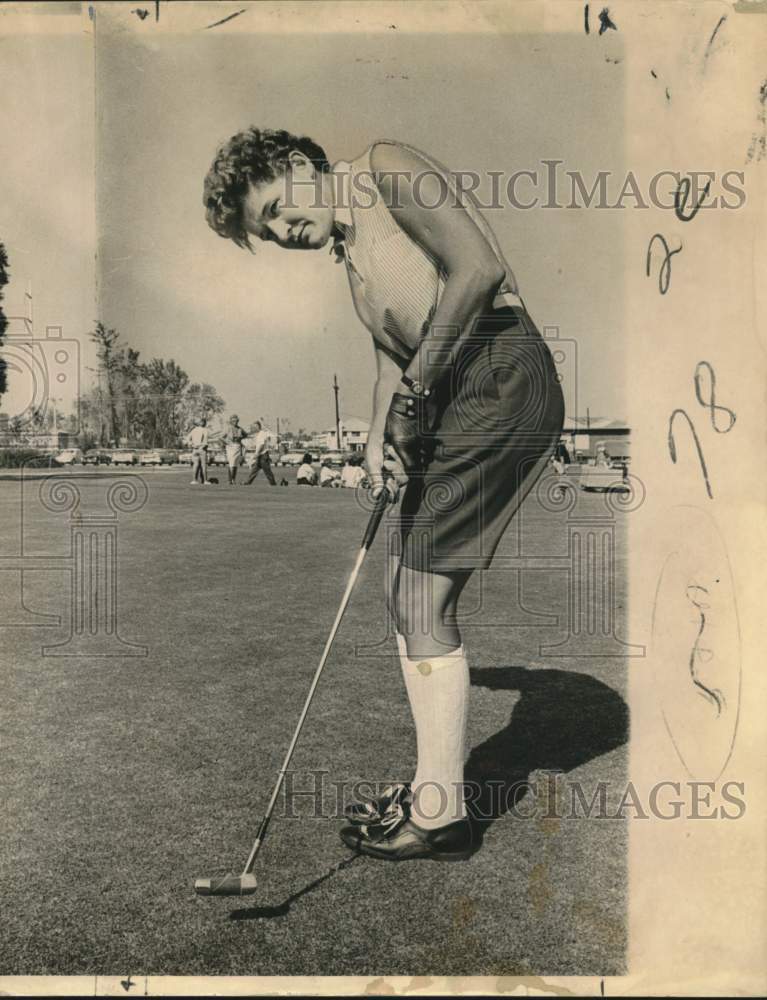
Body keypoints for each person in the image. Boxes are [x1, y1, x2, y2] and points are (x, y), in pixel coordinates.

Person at [204, 129, 564, 861]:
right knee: (401, 591)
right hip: (445, 392)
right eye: (266, 230)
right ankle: (436, 789)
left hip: (496, 372)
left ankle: (440, 815)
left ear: (300, 167)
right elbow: (387, 360)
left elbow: (477, 271)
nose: (281, 230)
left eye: (275, 207)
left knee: (423, 597)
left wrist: (416, 395)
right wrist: (377, 440)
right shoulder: (350, 252)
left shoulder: (385, 167)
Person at [243, 420, 277, 486]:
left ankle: (273, 484)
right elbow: (257, 445)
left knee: (267, 471)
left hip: (263, 455)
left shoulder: (262, 434)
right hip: (260, 456)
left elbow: (261, 445)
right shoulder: (258, 435)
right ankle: (248, 482)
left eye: (254, 427)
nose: (253, 428)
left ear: (258, 426)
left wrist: (256, 453)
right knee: (254, 470)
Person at [185, 416, 211, 485]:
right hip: (202, 449)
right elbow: (205, 441)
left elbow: (187, 439)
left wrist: (192, 444)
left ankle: (194, 480)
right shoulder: (204, 430)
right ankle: (205, 480)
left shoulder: (193, 430)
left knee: (195, 465)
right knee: (203, 465)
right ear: (202, 423)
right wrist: (203, 446)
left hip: (194, 449)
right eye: (205, 422)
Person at [222, 414, 247, 485]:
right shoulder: (228, 428)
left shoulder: (240, 428)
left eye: (236, 421)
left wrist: (240, 438)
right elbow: (221, 437)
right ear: (231, 421)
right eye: (233, 421)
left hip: (238, 446)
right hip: (230, 447)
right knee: (231, 463)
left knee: (235, 464)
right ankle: (229, 479)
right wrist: (227, 442)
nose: (235, 422)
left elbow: (246, 434)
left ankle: (233, 479)